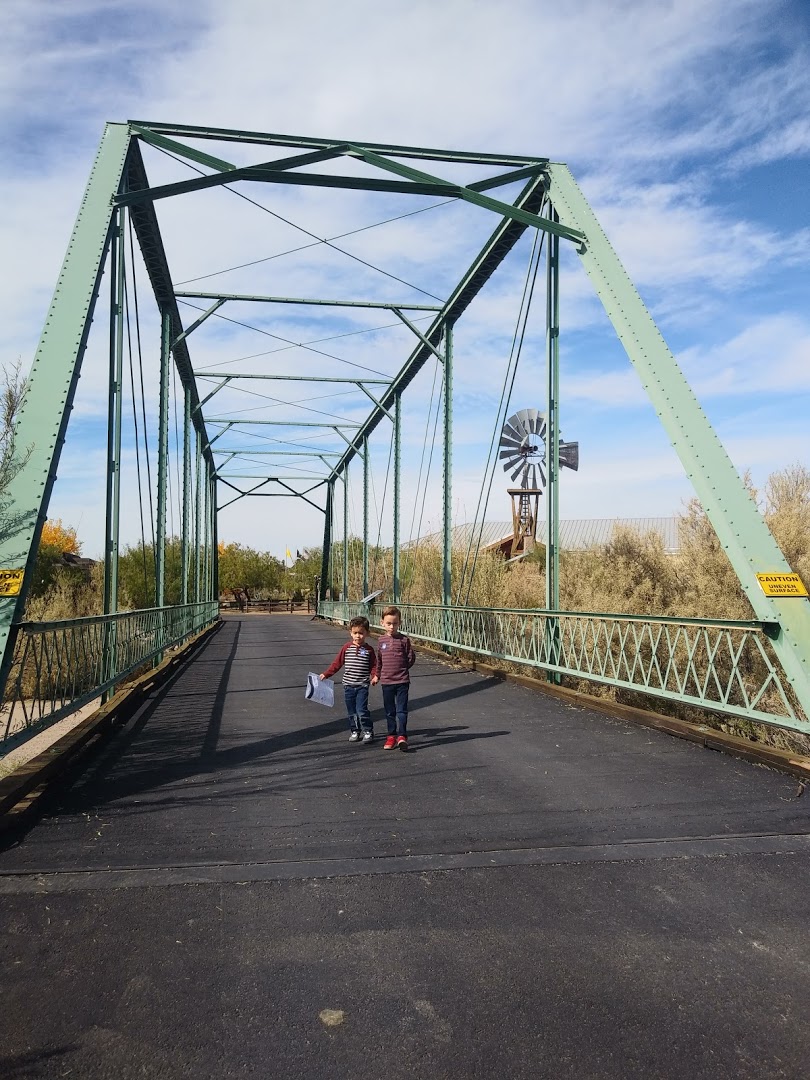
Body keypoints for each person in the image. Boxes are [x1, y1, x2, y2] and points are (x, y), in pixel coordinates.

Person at [320, 616, 379, 743]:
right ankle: (355, 731)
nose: (358, 636)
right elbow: (337, 663)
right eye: (355, 633)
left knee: (361, 710)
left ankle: (368, 731)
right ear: (351, 633)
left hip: (362, 685)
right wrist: (326, 674)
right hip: (348, 685)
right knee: (351, 711)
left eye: (361, 633)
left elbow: (374, 665)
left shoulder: (369, 650)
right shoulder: (346, 648)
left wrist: (375, 676)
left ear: (367, 633)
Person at [377, 605, 416, 752]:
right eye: (388, 623)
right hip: (386, 681)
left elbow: (410, 657)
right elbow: (379, 660)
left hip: (402, 681)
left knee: (402, 710)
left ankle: (402, 736)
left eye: (395, 623)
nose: (392, 626)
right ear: (382, 623)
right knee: (389, 711)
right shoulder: (381, 640)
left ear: (400, 623)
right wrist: (377, 675)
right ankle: (391, 735)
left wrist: (403, 669)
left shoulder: (404, 640)